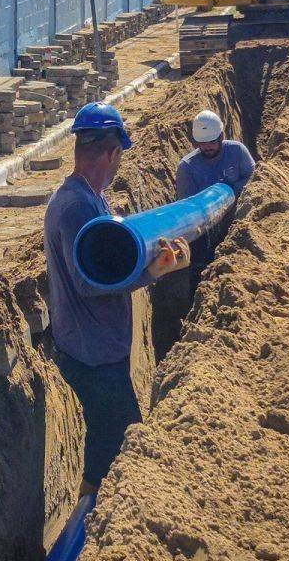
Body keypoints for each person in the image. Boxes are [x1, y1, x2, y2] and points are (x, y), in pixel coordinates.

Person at [44, 102, 191, 496]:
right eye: (119, 156)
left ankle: (91, 522)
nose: (119, 164)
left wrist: (150, 258)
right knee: (117, 446)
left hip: (101, 347)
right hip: (91, 355)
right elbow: (87, 282)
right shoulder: (75, 207)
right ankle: (89, 533)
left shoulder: (93, 198)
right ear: (111, 153)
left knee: (108, 444)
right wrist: (151, 273)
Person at [175, 109, 256, 292]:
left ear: (221, 136)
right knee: (199, 265)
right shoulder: (187, 167)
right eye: (202, 143)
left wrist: (232, 190)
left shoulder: (237, 152)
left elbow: (257, 180)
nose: (207, 147)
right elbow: (187, 210)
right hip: (204, 230)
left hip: (236, 222)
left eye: (211, 142)